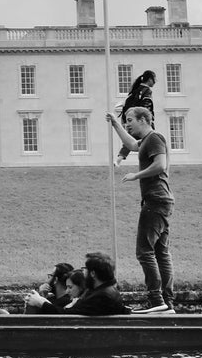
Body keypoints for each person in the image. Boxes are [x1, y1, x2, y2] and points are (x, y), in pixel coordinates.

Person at [107, 105, 174, 313]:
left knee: (144, 251)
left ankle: (157, 301)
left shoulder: (154, 138)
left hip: (155, 200)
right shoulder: (145, 141)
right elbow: (132, 144)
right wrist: (116, 124)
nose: (128, 123)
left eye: (130, 120)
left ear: (143, 120)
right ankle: (167, 303)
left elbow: (160, 165)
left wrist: (136, 175)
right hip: (160, 201)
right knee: (161, 252)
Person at [67, 253, 131, 316]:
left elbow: (70, 313)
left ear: (92, 273)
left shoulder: (102, 297)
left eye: (86, 269)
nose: (84, 274)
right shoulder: (108, 291)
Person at [116, 71, 157, 160]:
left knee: (130, 141)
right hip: (142, 121)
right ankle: (152, 159)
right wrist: (149, 119)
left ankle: (119, 159)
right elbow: (147, 106)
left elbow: (127, 104)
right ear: (150, 79)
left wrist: (126, 120)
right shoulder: (147, 91)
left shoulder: (135, 90)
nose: (155, 81)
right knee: (151, 139)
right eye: (154, 79)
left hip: (133, 120)